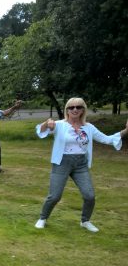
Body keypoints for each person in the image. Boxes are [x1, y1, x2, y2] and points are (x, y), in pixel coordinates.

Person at [34, 97, 127, 232]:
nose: (75, 109)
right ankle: (42, 218)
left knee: (89, 196)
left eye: (78, 107)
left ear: (83, 109)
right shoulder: (59, 124)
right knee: (55, 196)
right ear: (67, 110)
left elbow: (107, 139)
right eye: (71, 107)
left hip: (81, 164)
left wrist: (126, 131)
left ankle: (85, 221)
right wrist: (46, 123)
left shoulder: (89, 128)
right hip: (62, 162)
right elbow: (40, 131)